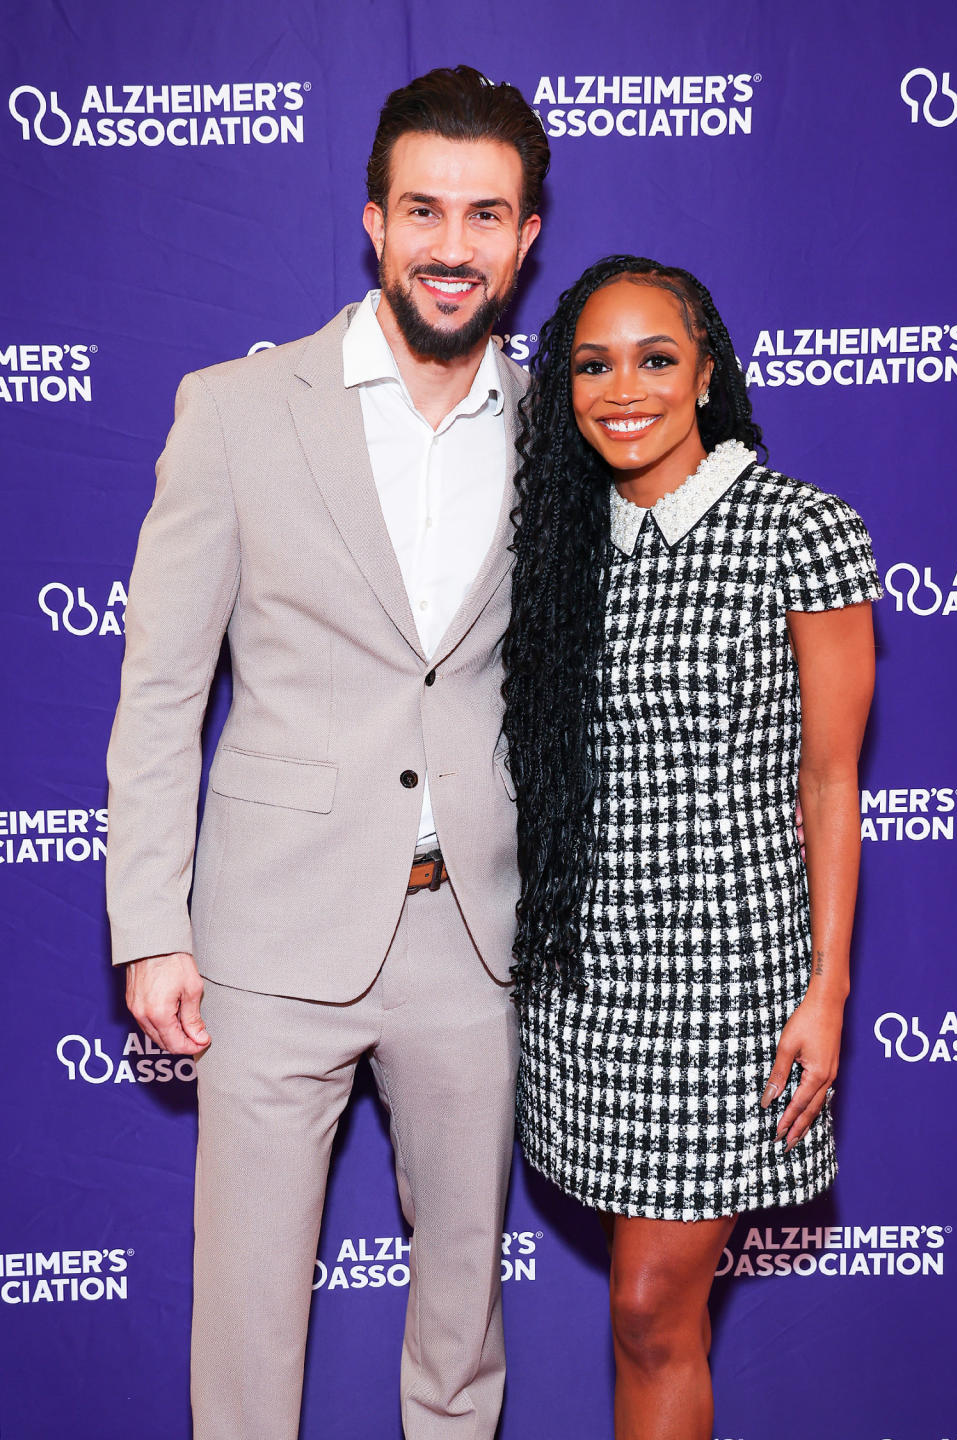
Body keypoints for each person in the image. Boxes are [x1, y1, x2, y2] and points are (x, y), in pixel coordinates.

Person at [106, 66, 546, 1440]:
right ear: (373, 221)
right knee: (244, 1325)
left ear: (527, 239)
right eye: (425, 210)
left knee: (462, 1323)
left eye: (485, 216)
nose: (451, 246)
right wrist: (147, 927)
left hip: (473, 934)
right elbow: (162, 687)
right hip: (267, 931)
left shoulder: (559, 435)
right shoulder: (236, 410)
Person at [501, 255, 880, 1440]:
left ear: (706, 373)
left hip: (730, 986)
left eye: (656, 358)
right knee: (648, 1317)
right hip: (586, 981)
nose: (625, 388)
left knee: (652, 1300)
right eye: (594, 363)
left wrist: (827, 988)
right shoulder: (561, 545)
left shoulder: (801, 530)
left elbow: (831, 777)